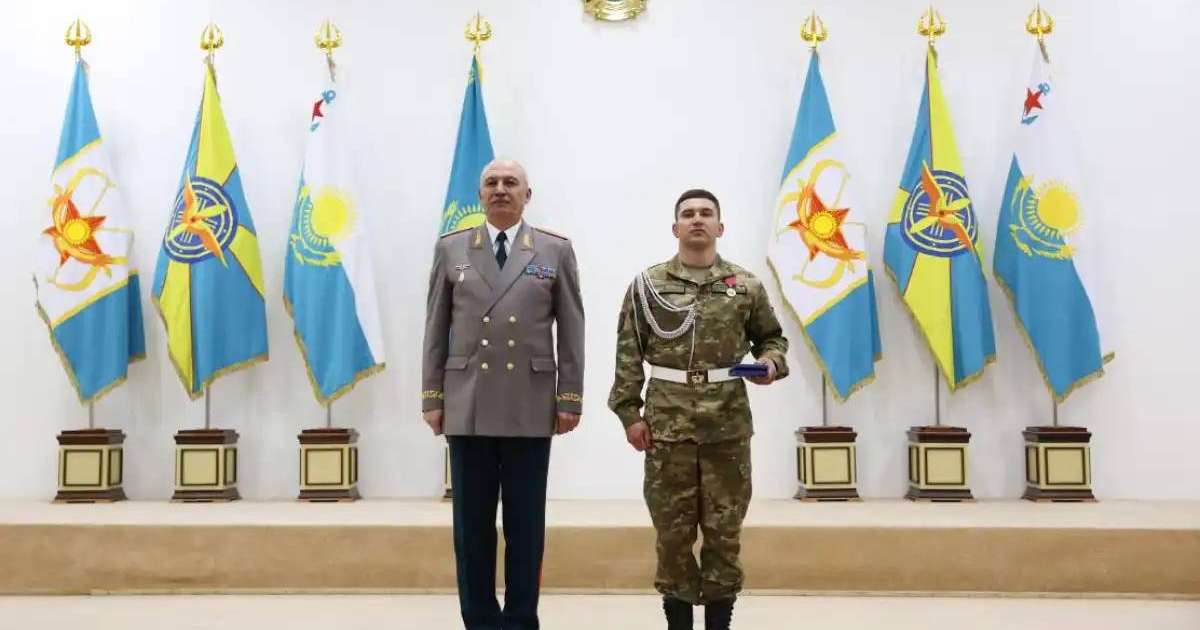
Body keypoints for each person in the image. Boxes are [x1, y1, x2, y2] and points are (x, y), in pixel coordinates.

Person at [608, 189, 789, 630]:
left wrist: (770, 364)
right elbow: (628, 356)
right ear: (675, 228)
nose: (697, 220)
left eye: (706, 214)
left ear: (720, 227)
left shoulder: (744, 285)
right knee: (673, 536)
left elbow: (773, 339)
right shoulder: (648, 286)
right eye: (688, 214)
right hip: (667, 429)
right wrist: (630, 415)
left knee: (724, 535)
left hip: (726, 427)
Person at [421, 159, 584, 630]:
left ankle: (520, 619)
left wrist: (568, 397)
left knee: (525, 526)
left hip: (529, 404)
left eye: (510, 183)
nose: (500, 190)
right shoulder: (452, 250)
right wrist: (433, 395)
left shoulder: (554, 251)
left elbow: (572, 329)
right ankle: (478, 619)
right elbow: (435, 328)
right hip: (467, 402)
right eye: (491, 183)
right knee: (471, 527)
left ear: (527, 195)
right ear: (480, 195)